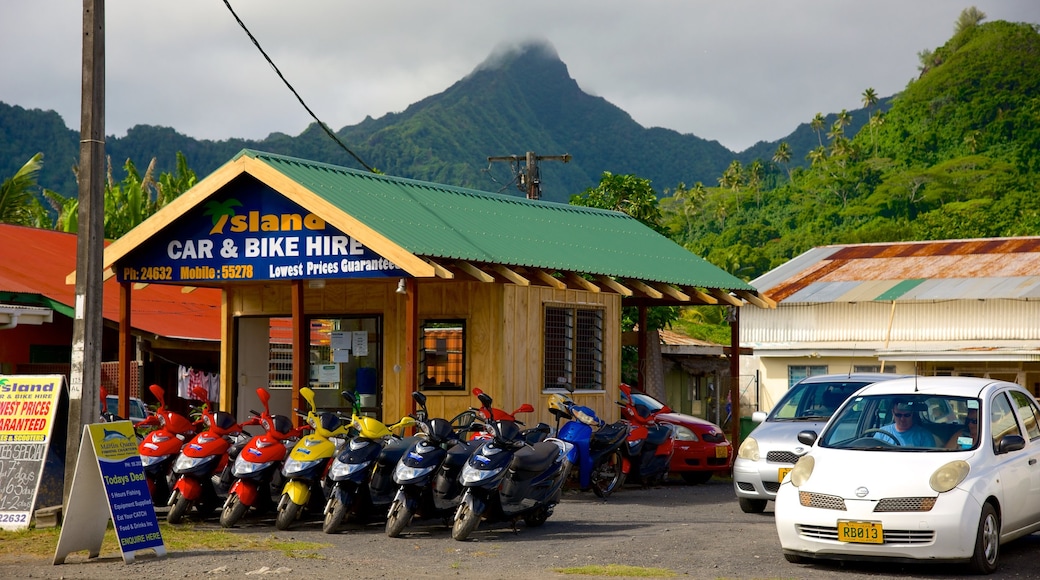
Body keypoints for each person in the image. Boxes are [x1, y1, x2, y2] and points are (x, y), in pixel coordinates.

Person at [873, 401, 938, 447]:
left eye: (907, 415)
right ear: (892, 412)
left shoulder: (924, 436)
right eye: (898, 415)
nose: (902, 419)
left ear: (912, 413)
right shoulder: (881, 434)